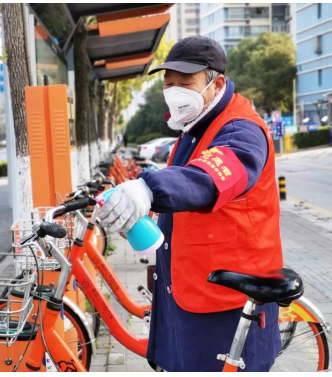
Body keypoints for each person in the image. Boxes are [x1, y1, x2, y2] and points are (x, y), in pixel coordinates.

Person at [99, 36, 283, 372]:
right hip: (191, 283)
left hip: (226, 294)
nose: (175, 91)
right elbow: (184, 185)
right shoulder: (195, 126)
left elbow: (212, 175)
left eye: (186, 83)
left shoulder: (241, 128)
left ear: (218, 83)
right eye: (169, 84)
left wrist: (149, 189)